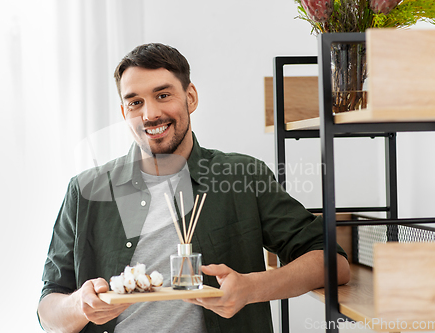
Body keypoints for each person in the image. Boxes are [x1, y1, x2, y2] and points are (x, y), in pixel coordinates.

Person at [37, 43, 350, 333]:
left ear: (191, 97)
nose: (150, 114)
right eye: (135, 102)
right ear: (124, 113)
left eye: (163, 95)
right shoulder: (85, 189)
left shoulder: (243, 175)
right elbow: (48, 312)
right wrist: (81, 305)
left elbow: (333, 264)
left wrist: (250, 288)